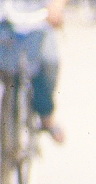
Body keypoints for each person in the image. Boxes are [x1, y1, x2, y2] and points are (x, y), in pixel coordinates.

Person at [0, 0, 66, 144]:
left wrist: (56, 7)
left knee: (48, 62)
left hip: (39, 22)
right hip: (5, 19)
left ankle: (46, 117)